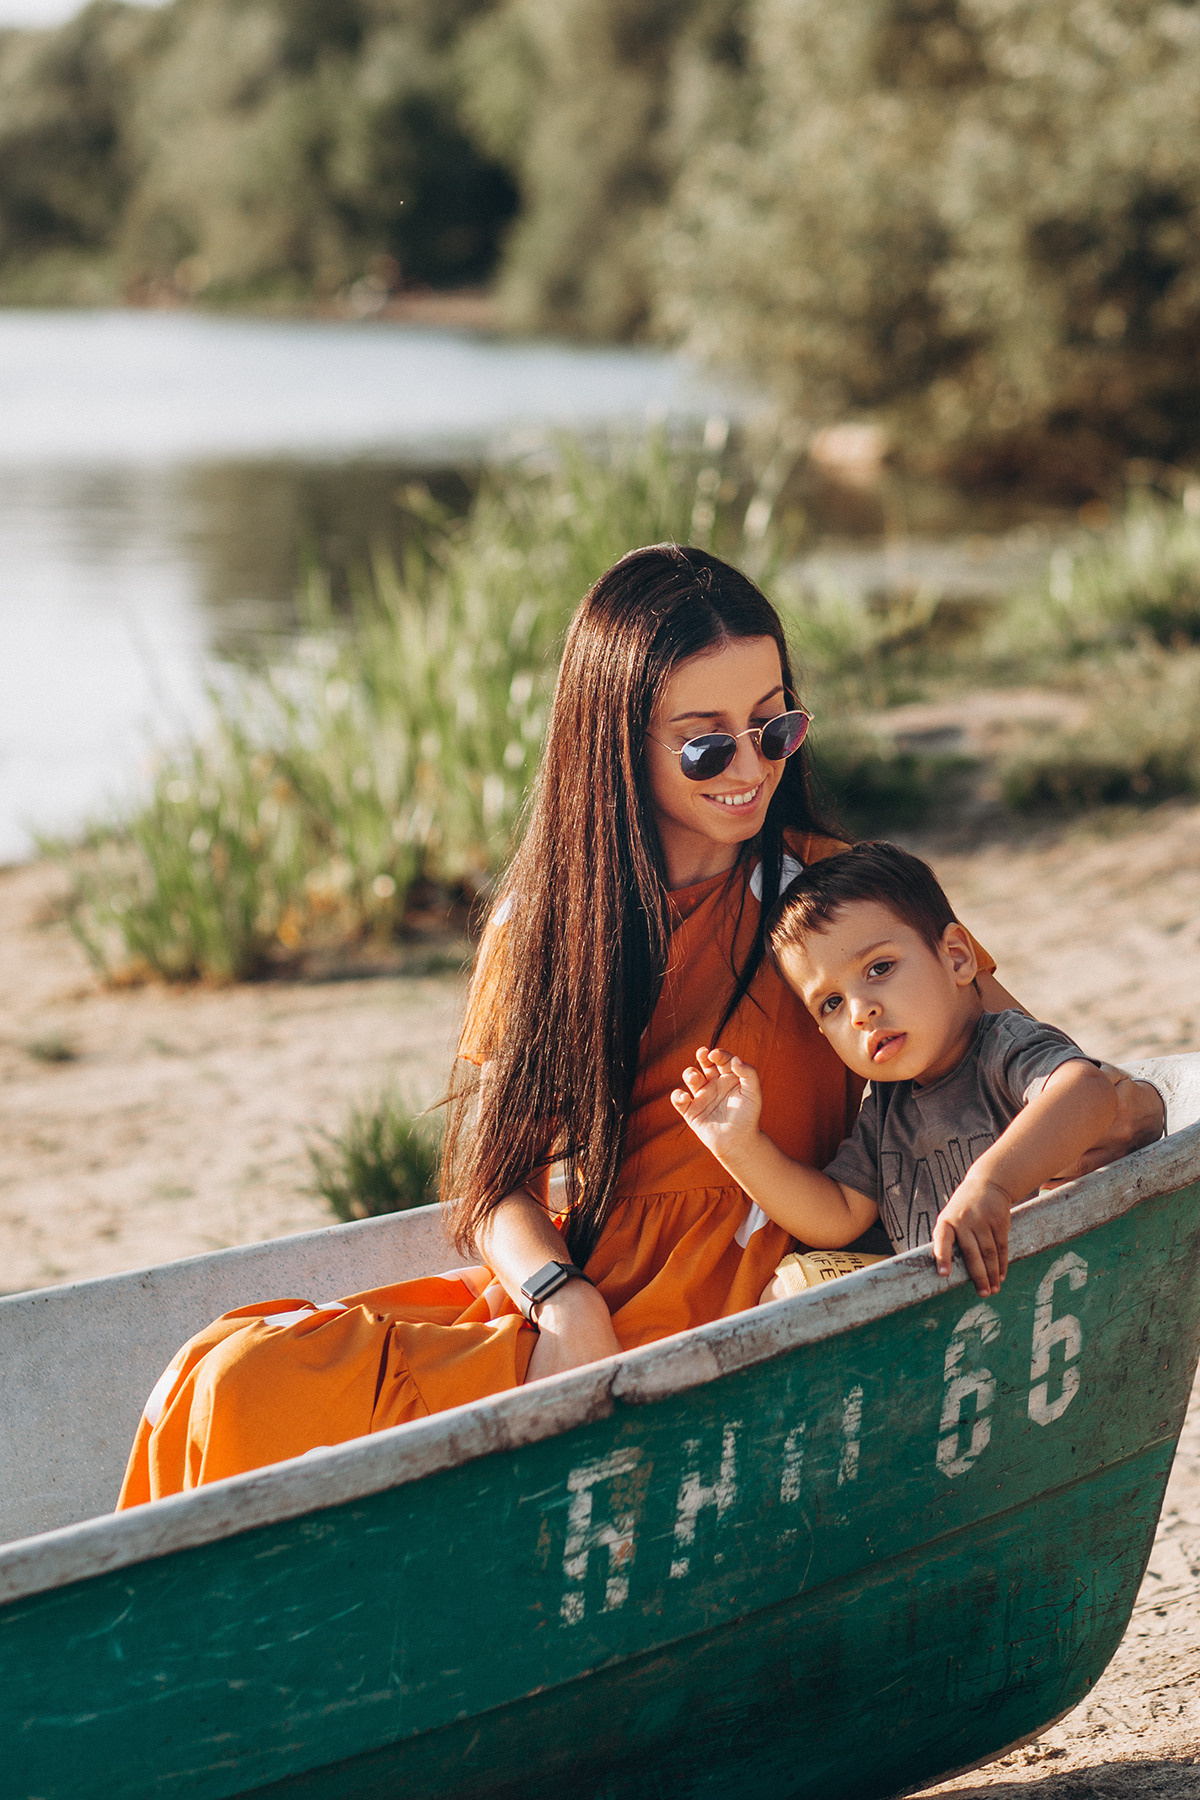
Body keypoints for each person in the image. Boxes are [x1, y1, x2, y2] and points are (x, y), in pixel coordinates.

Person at [117, 546, 1163, 1506]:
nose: (753, 765)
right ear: (619, 740)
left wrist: (1011, 1178)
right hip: (583, 1305)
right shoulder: (543, 925)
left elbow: (1029, 1064)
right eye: (708, 747)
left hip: (767, 1296)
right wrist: (561, 1302)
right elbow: (492, 1182)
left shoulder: (832, 898)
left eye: (776, 724)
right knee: (230, 1377)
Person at [671, 842, 1125, 1302]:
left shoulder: (1003, 1048)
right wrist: (742, 1147)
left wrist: (992, 1184)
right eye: (832, 1003)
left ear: (957, 957)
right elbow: (838, 1214)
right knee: (784, 1291)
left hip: (1061, 1289)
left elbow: (1086, 1091)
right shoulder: (887, 1113)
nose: (860, 1012)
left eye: (879, 968)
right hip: (958, 1326)